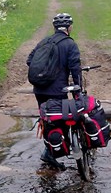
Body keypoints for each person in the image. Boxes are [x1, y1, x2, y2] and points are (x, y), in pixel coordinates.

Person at [26, 13, 81, 167]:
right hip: (58, 90)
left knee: (46, 119)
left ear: (54, 27)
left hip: (39, 90)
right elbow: (75, 69)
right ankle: (50, 153)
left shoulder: (44, 41)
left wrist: (46, 72)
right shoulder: (70, 44)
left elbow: (29, 60)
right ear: (69, 27)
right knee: (61, 121)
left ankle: (49, 150)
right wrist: (78, 92)